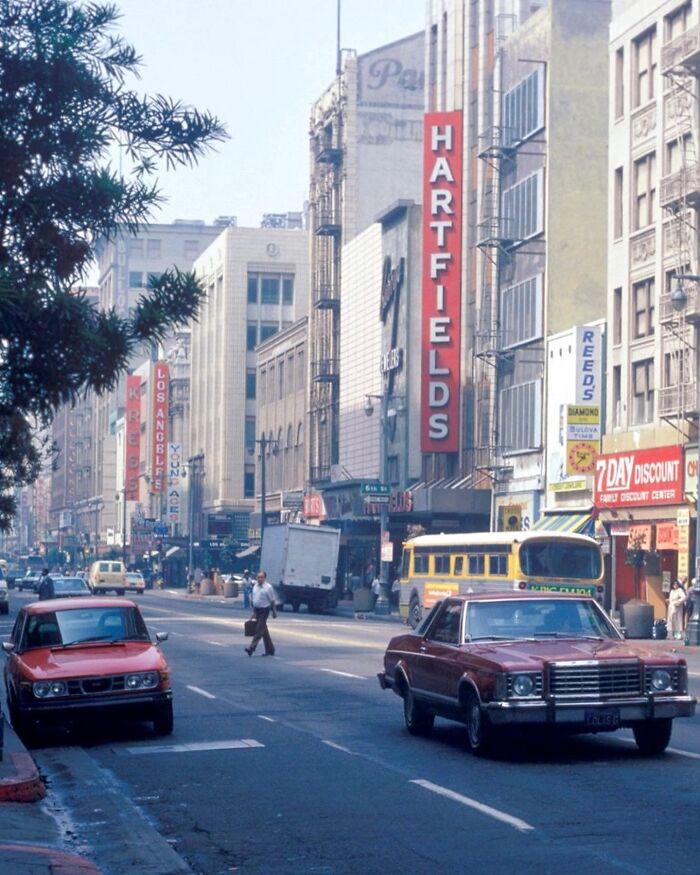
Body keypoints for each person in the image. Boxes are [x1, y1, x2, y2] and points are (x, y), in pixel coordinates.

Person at [245, 570, 277, 656]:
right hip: (257, 610)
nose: (260, 579)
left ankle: (251, 648)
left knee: (259, 630)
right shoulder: (255, 586)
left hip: (264, 610)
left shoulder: (268, 588)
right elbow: (255, 599)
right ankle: (270, 650)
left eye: (261, 577)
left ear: (265, 578)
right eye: (258, 577)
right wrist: (253, 612)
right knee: (264, 631)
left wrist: (274, 612)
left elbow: (272, 601)